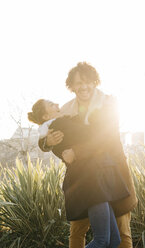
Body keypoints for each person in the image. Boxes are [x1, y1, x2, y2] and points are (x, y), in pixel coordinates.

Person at [39, 62, 137, 248]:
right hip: (82, 178)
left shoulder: (108, 103)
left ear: (94, 82)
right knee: (77, 232)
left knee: (122, 233)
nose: (83, 86)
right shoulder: (66, 109)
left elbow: (106, 137)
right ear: (72, 86)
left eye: (87, 82)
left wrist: (77, 151)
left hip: (113, 174)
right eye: (78, 83)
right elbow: (53, 135)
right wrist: (48, 143)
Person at [28, 98, 130, 248]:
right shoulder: (59, 125)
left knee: (114, 241)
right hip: (91, 182)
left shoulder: (57, 126)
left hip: (98, 181)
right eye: (51, 105)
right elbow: (92, 135)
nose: (57, 104)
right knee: (102, 240)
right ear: (45, 116)